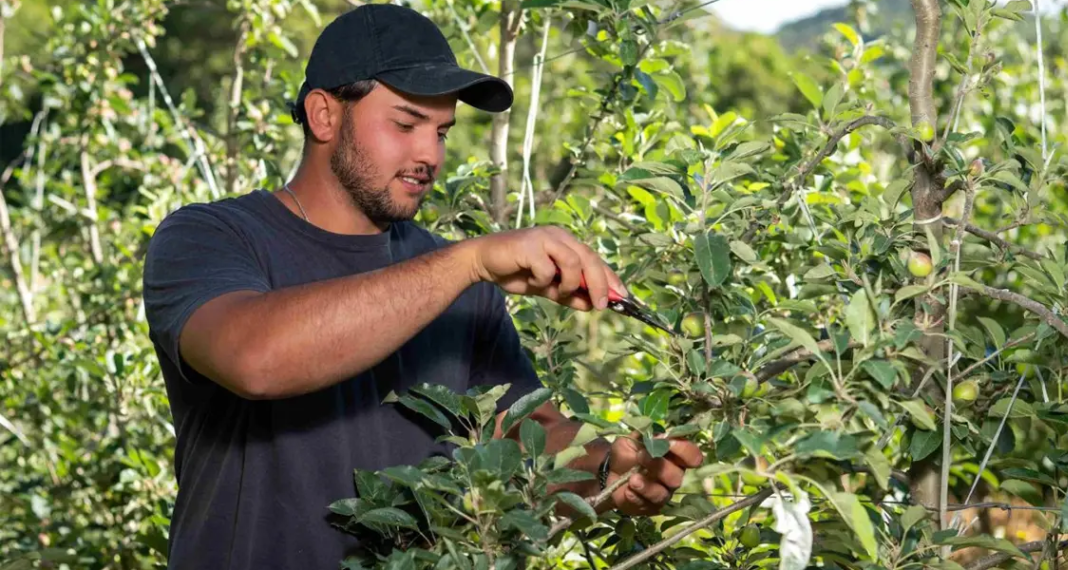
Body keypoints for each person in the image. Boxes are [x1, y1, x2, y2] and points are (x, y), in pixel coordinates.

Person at [141, 4, 703, 569]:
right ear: (323, 115)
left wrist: (608, 469)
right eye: (405, 124)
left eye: (441, 132)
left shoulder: (457, 276)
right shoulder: (212, 235)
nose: (429, 155)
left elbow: (522, 436)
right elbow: (255, 358)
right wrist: (470, 261)